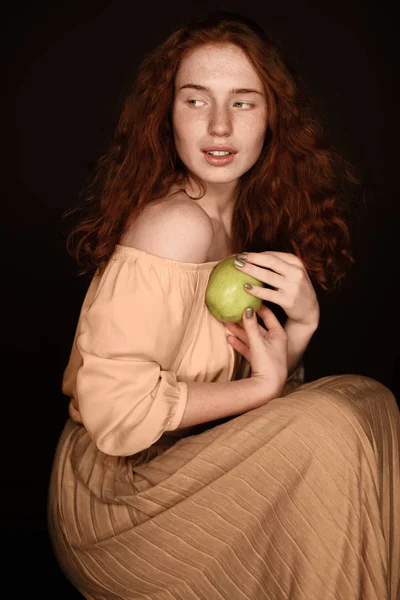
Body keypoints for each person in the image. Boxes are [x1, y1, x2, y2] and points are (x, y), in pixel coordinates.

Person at [47, 9, 400, 600]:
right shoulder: (174, 224)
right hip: (119, 500)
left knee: (367, 403)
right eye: (194, 100)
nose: (218, 127)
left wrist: (304, 322)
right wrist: (262, 389)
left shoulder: (242, 220)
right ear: (168, 116)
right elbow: (115, 411)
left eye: (242, 102)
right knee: (329, 429)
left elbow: (255, 399)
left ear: (271, 118)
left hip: (196, 463)